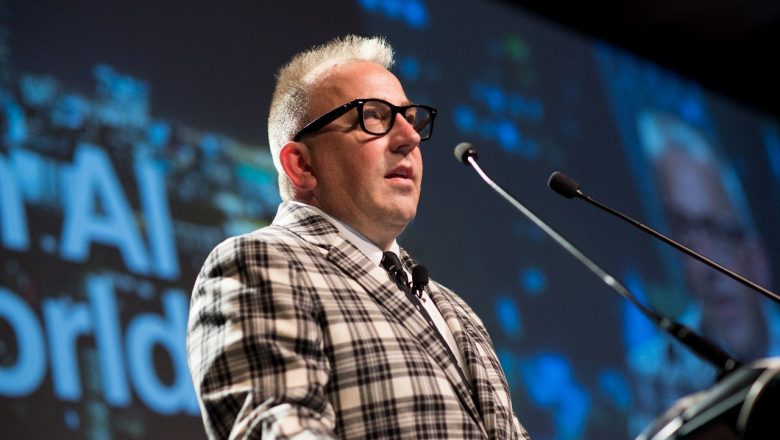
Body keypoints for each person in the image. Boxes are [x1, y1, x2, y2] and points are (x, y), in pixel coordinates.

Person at [186, 34, 529, 439]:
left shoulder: (459, 312)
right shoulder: (260, 264)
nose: (410, 138)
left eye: (411, 118)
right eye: (375, 117)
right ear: (301, 165)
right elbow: (280, 428)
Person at [626, 110, 780, 435]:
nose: (707, 263)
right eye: (684, 236)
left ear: (755, 251)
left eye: (718, 230)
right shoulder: (653, 373)